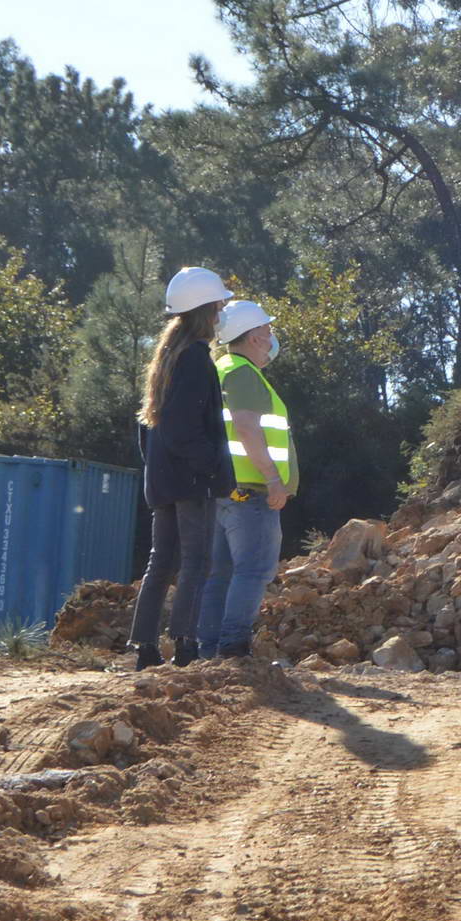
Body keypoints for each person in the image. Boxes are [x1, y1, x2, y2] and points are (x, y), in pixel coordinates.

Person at [125, 268, 235, 669]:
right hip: (190, 481)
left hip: (164, 478)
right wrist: (212, 470)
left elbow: (149, 428)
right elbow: (184, 428)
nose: (223, 309)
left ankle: (145, 649)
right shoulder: (195, 360)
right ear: (206, 309)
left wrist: (162, 469)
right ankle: (185, 646)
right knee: (195, 562)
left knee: (161, 562)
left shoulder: (170, 357)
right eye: (220, 303)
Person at [191, 299, 298, 662]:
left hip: (226, 491)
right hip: (251, 492)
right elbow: (247, 428)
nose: (271, 336)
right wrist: (273, 479)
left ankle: (210, 652)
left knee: (220, 574)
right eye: (266, 330)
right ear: (253, 336)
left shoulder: (222, 368)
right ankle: (233, 649)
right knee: (254, 570)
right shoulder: (242, 373)